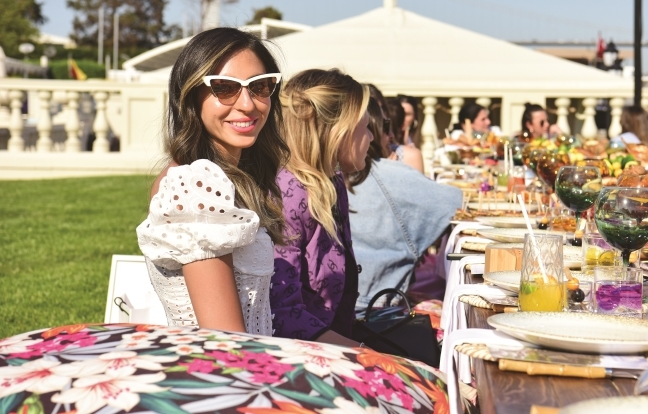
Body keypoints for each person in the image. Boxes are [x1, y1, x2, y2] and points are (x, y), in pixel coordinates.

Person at [137, 27, 287, 335]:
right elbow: (225, 338)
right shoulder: (194, 186)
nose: (248, 104)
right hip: (227, 363)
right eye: (224, 88)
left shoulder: (227, 181)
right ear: (191, 96)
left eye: (259, 86)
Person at [270, 68, 372, 346]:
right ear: (338, 131)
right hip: (299, 357)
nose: (372, 137)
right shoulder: (288, 196)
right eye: (365, 127)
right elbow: (282, 315)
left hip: (333, 345)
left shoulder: (331, 184)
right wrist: (364, 353)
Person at [348, 97, 461, 308]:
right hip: (373, 308)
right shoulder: (382, 172)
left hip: (339, 308)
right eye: (384, 126)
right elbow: (456, 203)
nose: (389, 134)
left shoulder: (312, 178)